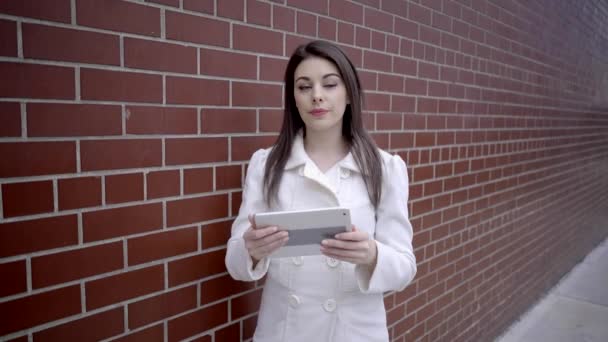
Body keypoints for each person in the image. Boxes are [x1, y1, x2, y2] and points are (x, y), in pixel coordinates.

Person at [225, 40, 417, 342]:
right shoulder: (265, 165)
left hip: (354, 332)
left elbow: (405, 268)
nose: (317, 96)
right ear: (294, 99)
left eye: (329, 84)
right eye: (304, 87)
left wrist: (372, 254)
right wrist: (250, 250)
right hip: (284, 331)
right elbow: (234, 261)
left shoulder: (386, 169)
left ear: (349, 93)